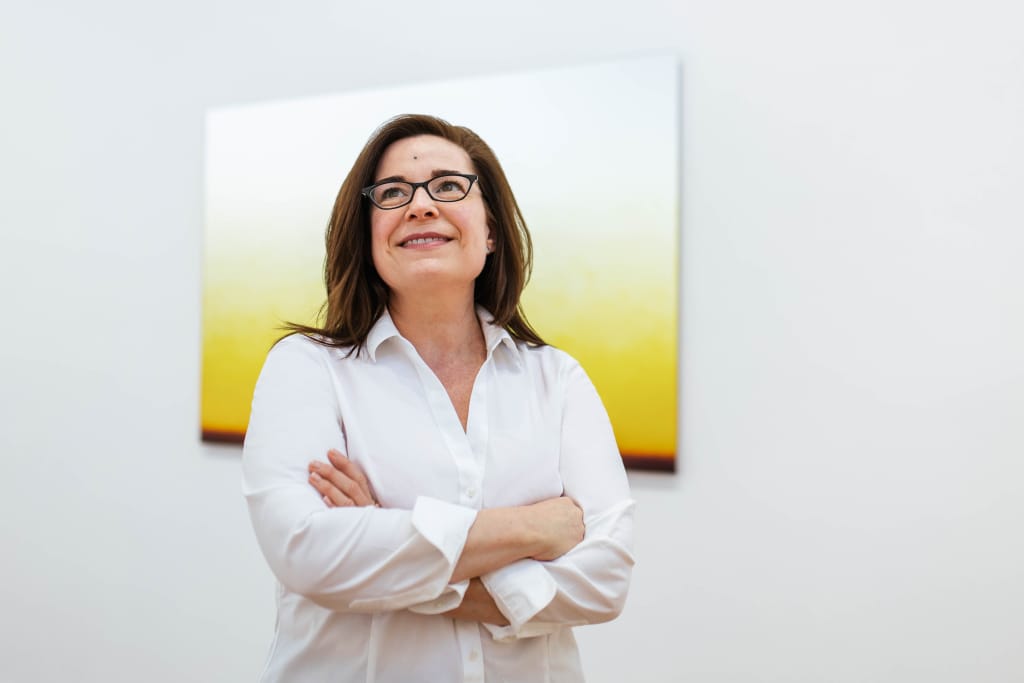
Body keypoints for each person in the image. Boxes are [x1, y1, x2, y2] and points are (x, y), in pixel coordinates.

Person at [242, 113, 635, 682]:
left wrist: (385, 539)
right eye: (394, 192)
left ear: (492, 230)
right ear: (368, 234)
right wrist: (531, 531)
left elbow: (607, 580)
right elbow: (308, 551)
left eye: (449, 186)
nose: (421, 206)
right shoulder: (305, 368)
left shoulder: (558, 380)